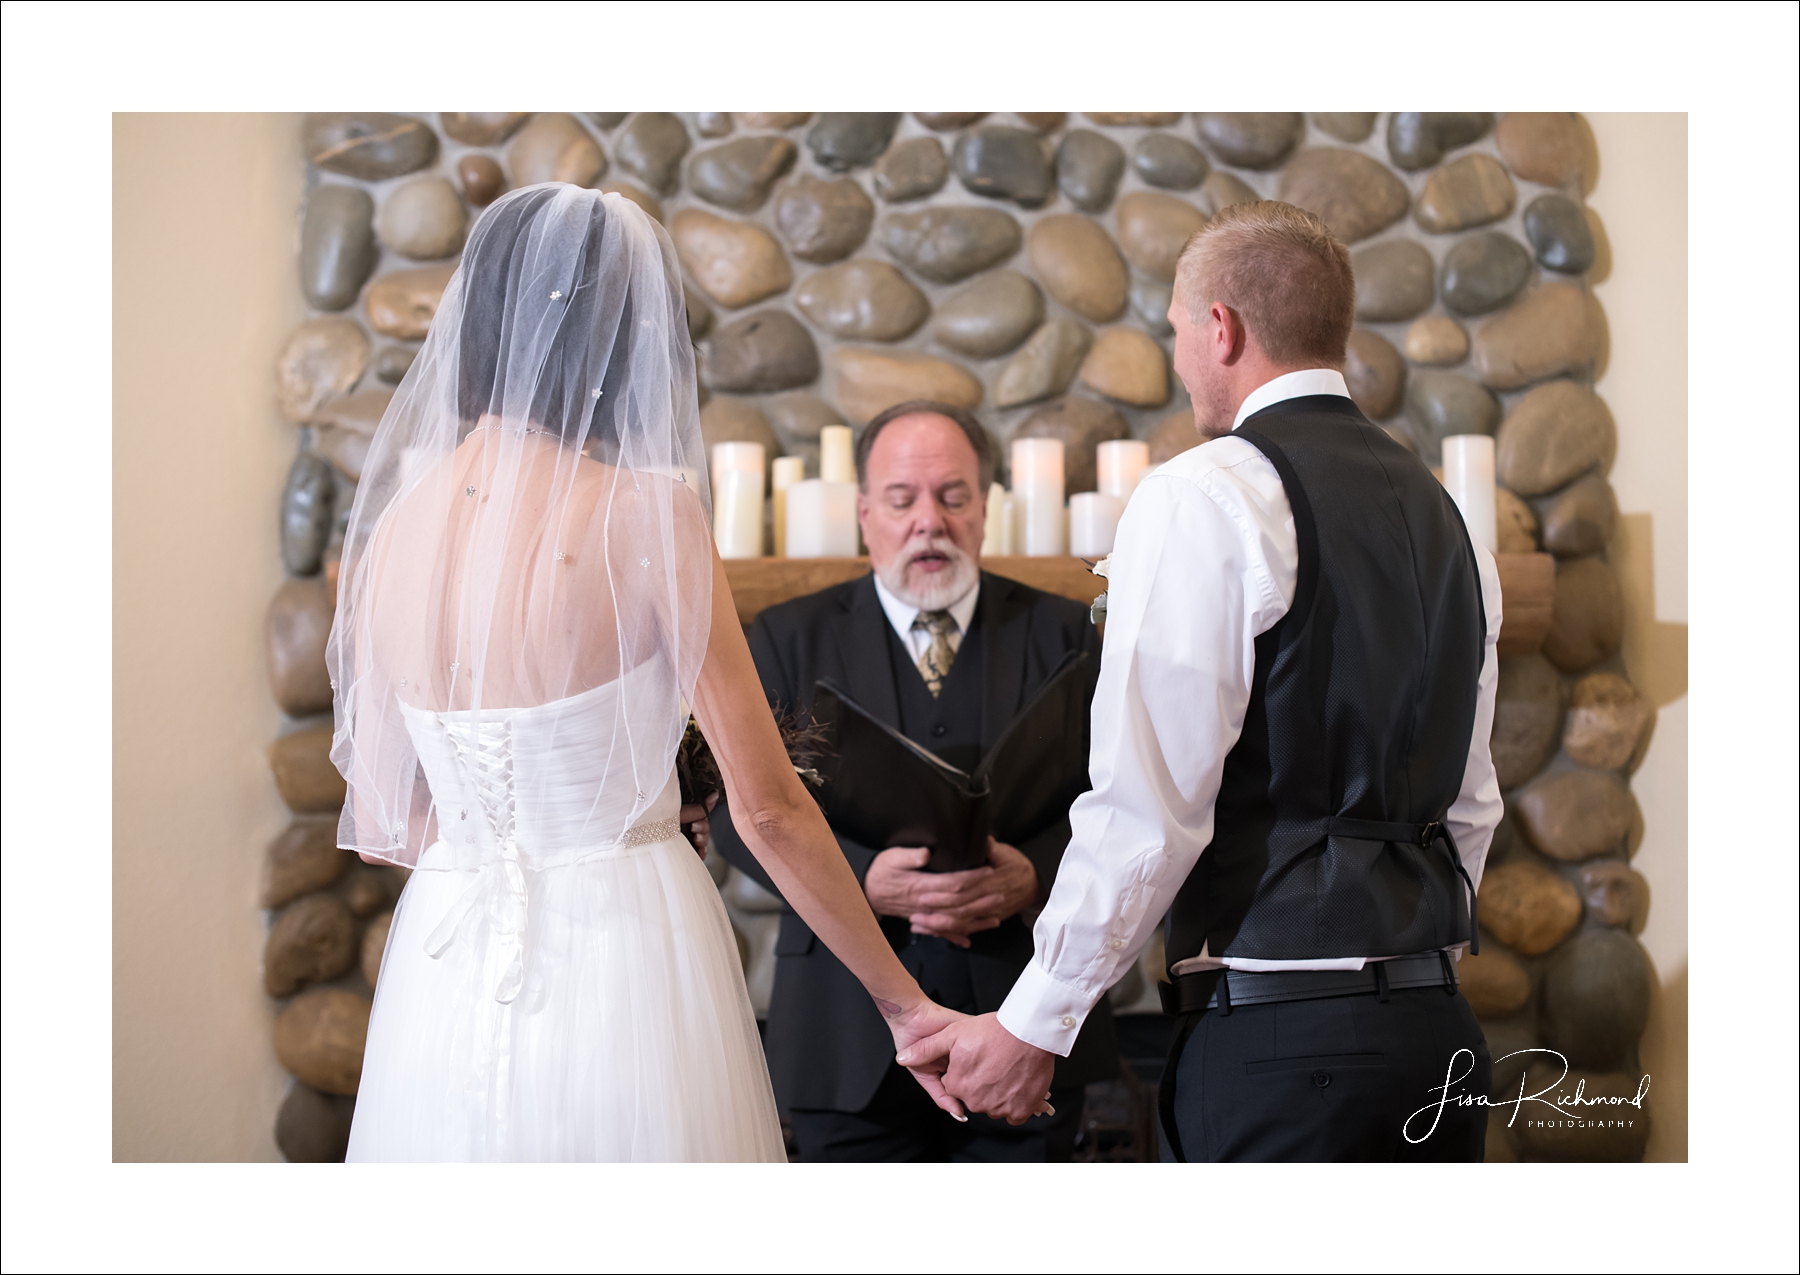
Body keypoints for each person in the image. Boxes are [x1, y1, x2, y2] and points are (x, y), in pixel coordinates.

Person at [327, 186, 964, 1162]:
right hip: (618, 949)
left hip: (443, 961)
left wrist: (505, 844)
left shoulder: (397, 527)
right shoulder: (645, 516)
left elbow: (384, 822)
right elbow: (772, 811)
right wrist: (904, 1004)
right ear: (625, 336)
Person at [903, 201, 1505, 1162]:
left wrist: (1035, 1022)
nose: (1180, 358)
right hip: (1436, 1040)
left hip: (1282, 1050)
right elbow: (1470, 799)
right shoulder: (1450, 519)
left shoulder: (1207, 492)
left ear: (1220, 326)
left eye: (1178, 331)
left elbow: (1149, 805)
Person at [709, 401, 1117, 1162]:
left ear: (986, 509)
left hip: (1027, 1018)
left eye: (953, 496)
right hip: (842, 1034)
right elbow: (735, 811)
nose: (928, 520)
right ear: (866, 514)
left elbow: (1120, 800)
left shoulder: (1068, 632)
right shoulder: (784, 637)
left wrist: (1037, 873)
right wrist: (860, 880)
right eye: (902, 499)